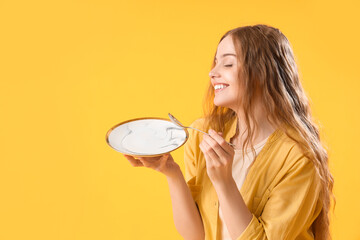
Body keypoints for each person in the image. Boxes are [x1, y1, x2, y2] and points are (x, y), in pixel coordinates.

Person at [123, 24, 335, 240]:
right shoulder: (203, 133)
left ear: (262, 73)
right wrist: (170, 171)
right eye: (215, 63)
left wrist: (224, 182)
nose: (212, 73)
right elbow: (196, 235)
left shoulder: (299, 157)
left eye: (228, 63)